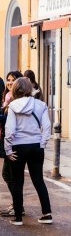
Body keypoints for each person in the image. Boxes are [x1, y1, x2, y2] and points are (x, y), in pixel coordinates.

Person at [4, 77, 52, 226]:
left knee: (17, 182)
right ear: (30, 88)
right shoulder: (41, 104)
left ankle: (18, 218)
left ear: (16, 88)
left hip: (18, 146)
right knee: (39, 180)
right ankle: (47, 214)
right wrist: (42, 144)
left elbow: (10, 130)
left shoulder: (12, 106)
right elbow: (47, 127)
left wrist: (8, 149)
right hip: (36, 145)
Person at [0, 70, 23, 218]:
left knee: (10, 175)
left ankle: (18, 206)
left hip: (14, 143)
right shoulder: (8, 98)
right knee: (9, 175)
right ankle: (16, 205)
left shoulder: (16, 100)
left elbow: (9, 121)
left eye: (13, 80)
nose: (9, 82)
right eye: (8, 79)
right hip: (8, 141)